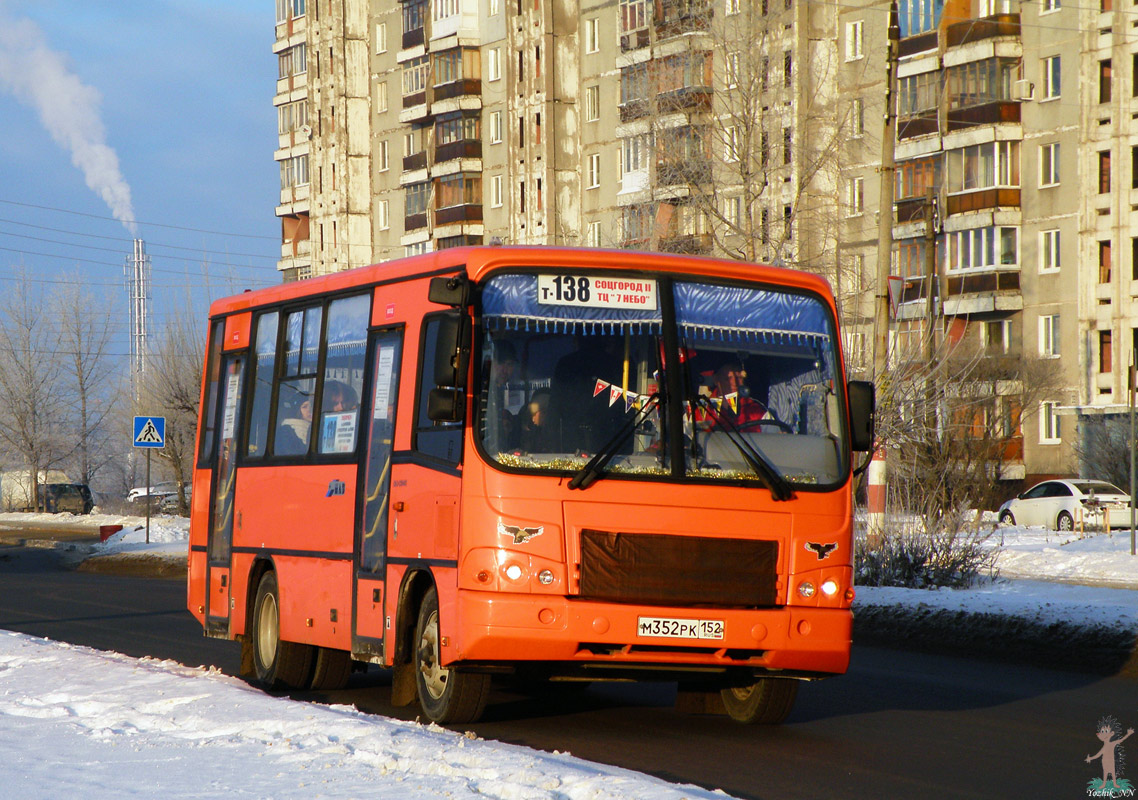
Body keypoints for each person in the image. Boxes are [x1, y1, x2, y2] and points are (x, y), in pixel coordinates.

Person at [697, 360, 767, 430]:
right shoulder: (702, 412)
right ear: (716, 380)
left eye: (739, 377)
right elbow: (690, 436)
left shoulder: (757, 410)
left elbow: (773, 436)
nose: (734, 383)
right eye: (728, 378)